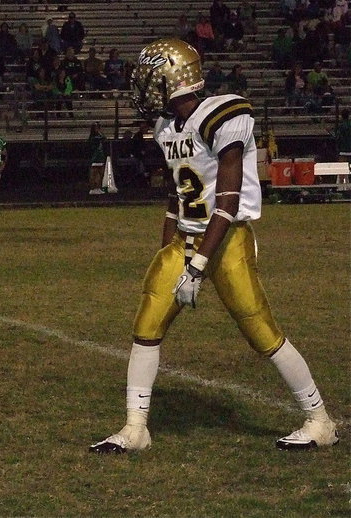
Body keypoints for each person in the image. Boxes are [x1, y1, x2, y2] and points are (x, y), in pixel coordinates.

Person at [90, 38, 339, 455]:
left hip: (225, 241)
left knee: (262, 332)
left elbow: (227, 201)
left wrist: (198, 265)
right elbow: (177, 193)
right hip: (185, 239)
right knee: (146, 327)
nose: (145, 88)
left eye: (152, 79)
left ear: (173, 78)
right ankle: (136, 428)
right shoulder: (165, 126)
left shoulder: (224, 113)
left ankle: (320, 420)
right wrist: (167, 247)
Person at [86, 122, 107, 195]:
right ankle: (92, 188)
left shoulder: (97, 137)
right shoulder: (93, 138)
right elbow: (103, 137)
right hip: (95, 157)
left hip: (100, 157)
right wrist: (99, 132)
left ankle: (98, 187)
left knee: (100, 174)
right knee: (93, 173)